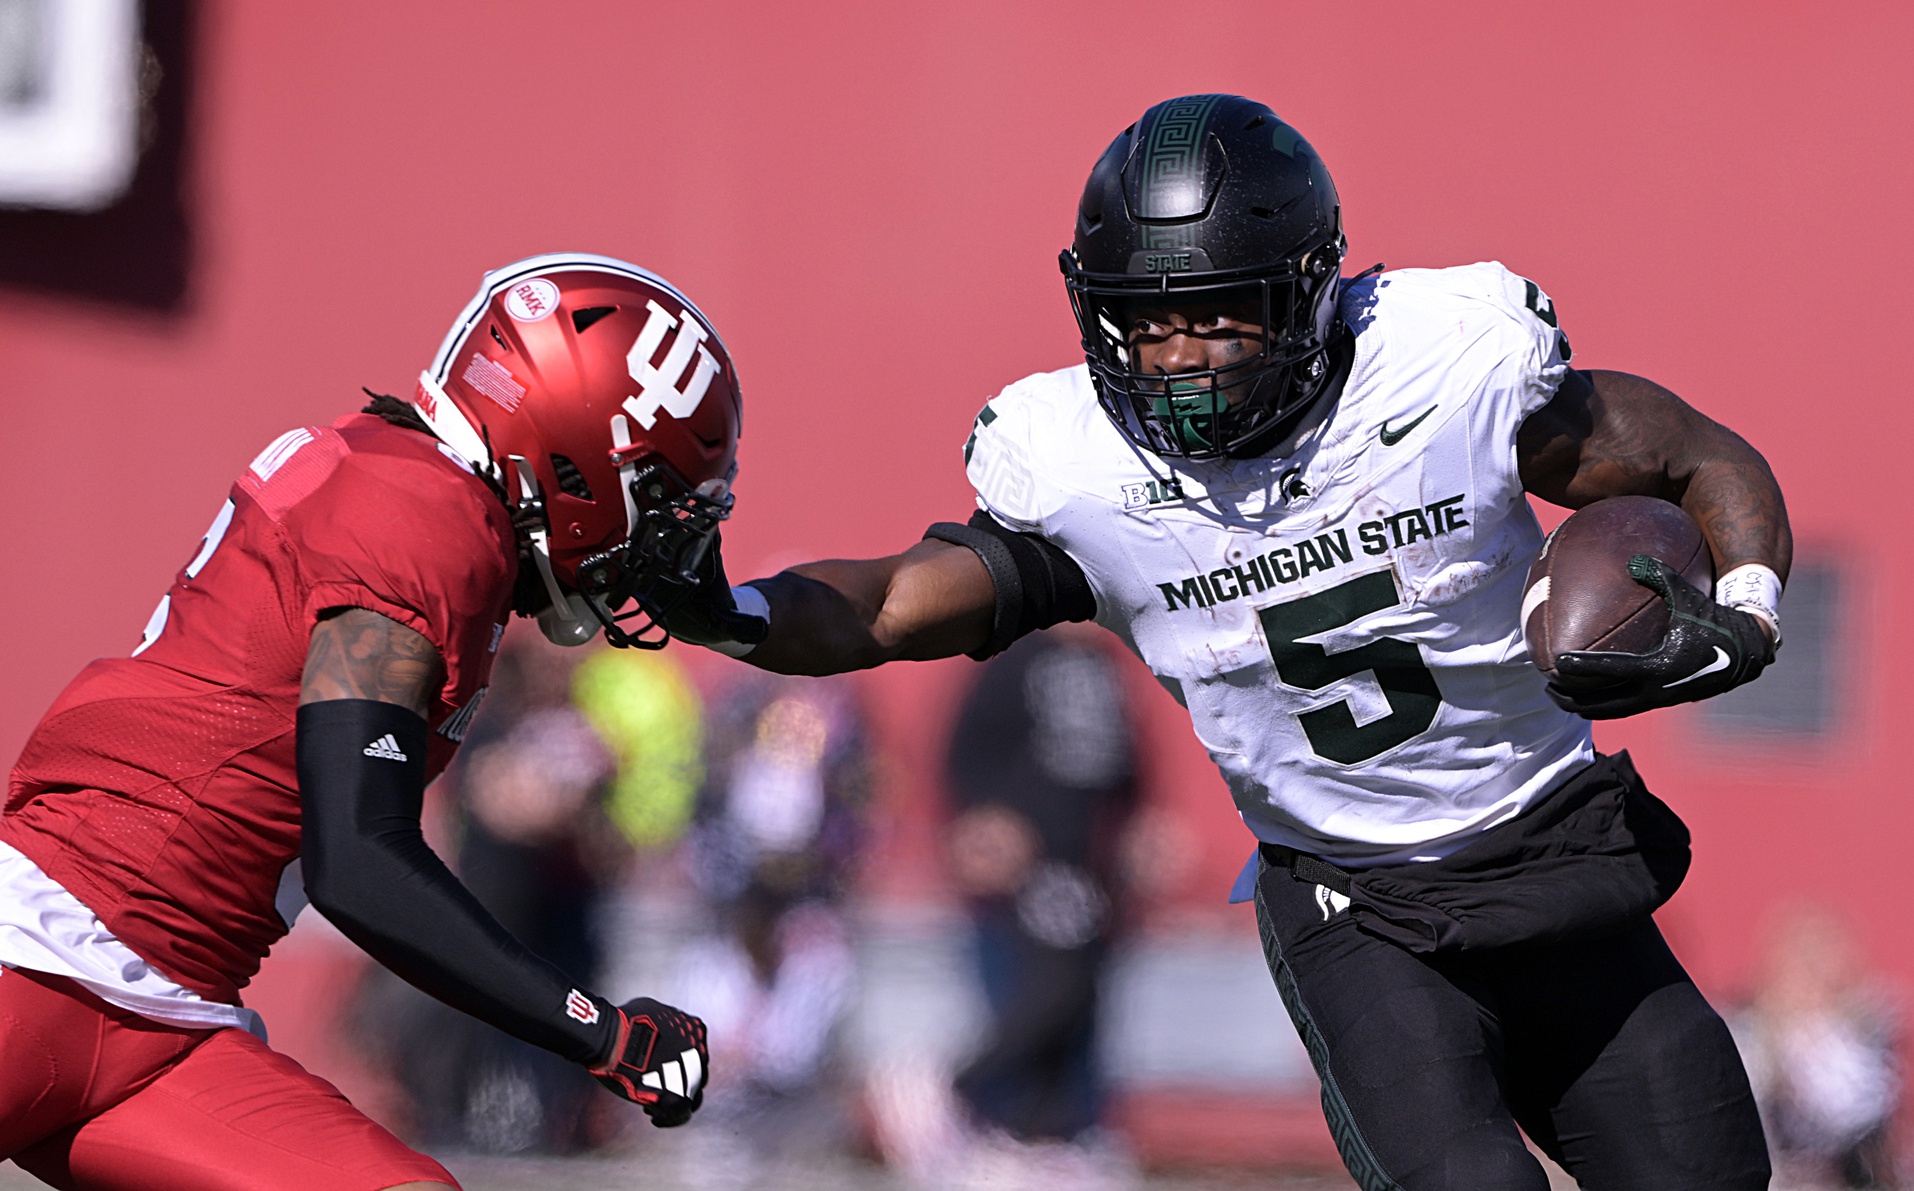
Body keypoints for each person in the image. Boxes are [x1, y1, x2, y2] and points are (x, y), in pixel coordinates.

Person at [657, 95, 1790, 1190]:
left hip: (1555, 855)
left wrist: (1746, 607)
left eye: (1214, 314)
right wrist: (733, 609)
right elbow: (894, 601)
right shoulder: (1088, 478)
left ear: (1303, 292)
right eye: (1146, 323)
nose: (1179, 355)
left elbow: (1694, 458)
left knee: (1709, 1172)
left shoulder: (1447, 373)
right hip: (1364, 909)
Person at [0, 253, 733, 1190]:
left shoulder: (415, 487)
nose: (663, 541)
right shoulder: (426, 518)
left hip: (169, 1017)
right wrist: (601, 1031)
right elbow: (358, 859)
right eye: (661, 499)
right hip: (43, 955)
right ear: (575, 454)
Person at [944, 628, 1139, 1145]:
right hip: (1031, 855)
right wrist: (984, 820)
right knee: (1056, 987)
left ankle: (1046, 1132)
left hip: (1087, 860)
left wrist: (1137, 824)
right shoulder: (1017, 659)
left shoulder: (1104, 666)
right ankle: (961, 1090)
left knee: (1083, 991)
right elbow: (968, 746)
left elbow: (1122, 760)